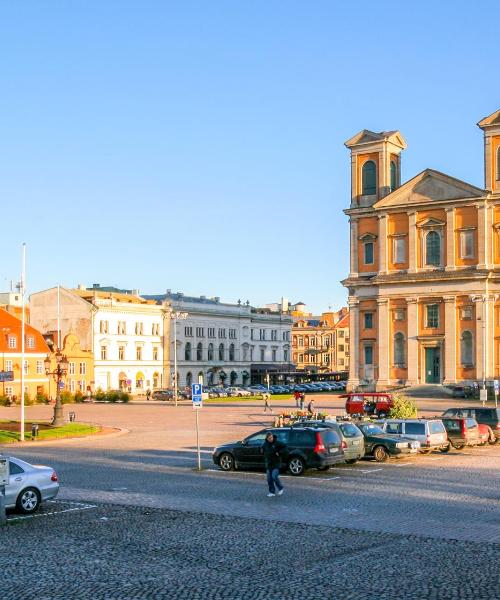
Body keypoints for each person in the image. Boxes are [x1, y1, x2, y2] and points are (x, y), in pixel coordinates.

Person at [261, 431, 286, 497]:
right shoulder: (265, 444)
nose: (271, 439)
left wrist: (279, 452)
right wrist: (262, 451)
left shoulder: (277, 443)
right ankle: (272, 492)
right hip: (269, 464)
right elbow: (262, 449)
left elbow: (285, 447)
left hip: (276, 464)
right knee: (269, 479)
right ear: (267, 439)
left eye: (271, 437)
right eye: (269, 438)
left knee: (274, 476)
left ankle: (280, 488)